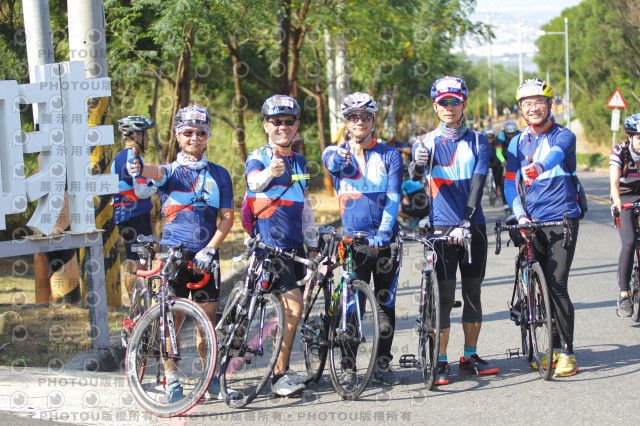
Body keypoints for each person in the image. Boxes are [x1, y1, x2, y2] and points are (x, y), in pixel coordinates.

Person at [127, 105, 235, 401]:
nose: (194, 138)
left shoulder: (220, 174)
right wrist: (138, 165)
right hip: (173, 256)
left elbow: (227, 217)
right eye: (188, 132)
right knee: (171, 322)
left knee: (205, 324)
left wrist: (210, 249)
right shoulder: (171, 171)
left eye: (201, 132)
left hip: (206, 258)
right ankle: (172, 379)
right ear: (178, 135)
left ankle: (210, 378)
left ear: (208, 135)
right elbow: (155, 171)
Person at [411, 75, 497, 386]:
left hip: (472, 225)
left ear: (463, 105)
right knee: (445, 297)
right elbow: (415, 175)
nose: (449, 107)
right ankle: (441, 360)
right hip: (440, 228)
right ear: (435, 107)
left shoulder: (478, 141)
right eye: (443, 102)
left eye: (454, 102)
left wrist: (467, 222)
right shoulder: (425, 142)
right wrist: (417, 162)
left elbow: (478, 183)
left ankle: (469, 357)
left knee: (472, 293)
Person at [322, 92, 403, 386]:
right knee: (352, 307)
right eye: (353, 117)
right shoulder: (337, 154)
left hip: (384, 242)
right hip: (353, 244)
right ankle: (348, 366)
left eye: (365, 116)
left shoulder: (390, 155)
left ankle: (382, 364)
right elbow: (329, 161)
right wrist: (338, 158)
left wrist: (383, 232)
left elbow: (393, 197)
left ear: (373, 120)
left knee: (385, 306)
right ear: (346, 121)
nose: (359, 121)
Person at [504, 78, 582, 377]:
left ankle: (567, 353)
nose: (533, 108)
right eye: (527, 103)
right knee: (541, 286)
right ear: (521, 108)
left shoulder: (564, 135)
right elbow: (510, 184)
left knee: (557, 283)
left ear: (550, 105)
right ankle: (550, 347)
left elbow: (556, 155)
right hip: (532, 220)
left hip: (562, 217)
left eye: (539, 102)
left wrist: (538, 167)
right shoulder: (517, 142)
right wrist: (520, 215)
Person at [245, 94, 318, 397]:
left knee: (290, 312)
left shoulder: (299, 161)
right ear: (266, 125)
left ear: (296, 125)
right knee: (293, 308)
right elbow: (253, 183)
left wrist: (313, 244)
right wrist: (268, 173)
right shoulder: (258, 156)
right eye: (276, 122)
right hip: (271, 247)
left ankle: (281, 367)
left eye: (289, 122)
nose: (283, 127)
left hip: (295, 246)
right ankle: (279, 377)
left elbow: (306, 204)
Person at [111, 115, 157, 301]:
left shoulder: (118, 158)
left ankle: (135, 308)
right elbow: (142, 191)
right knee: (140, 265)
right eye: (146, 134)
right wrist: (158, 184)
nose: (148, 138)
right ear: (135, 136)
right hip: (136, 216)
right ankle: (138, 308)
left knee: (133, 263)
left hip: (125, 216)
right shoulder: (133, 157)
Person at [609, 113, 640, 317]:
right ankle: (624, 294)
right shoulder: (619, 151)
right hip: (625, 197)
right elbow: (614, 183)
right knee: (629, 243)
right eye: (638, 137)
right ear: (629, 137)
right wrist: (617, 202)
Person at [497, 120, 521, 212]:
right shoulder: (501, 136)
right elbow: (498, 152)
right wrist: (503, 161)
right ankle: (505, 201)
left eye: (513, 133)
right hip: (505, 158)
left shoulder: (520, 134)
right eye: (509, 134)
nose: (511, 135)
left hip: (517, 157)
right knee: (503, 178)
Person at [485, 128, 508, 211]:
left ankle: (500, 194)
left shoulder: (497, 143)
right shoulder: (483, 144)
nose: (490, 139)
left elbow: (499, 153)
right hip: (486, 163)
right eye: (488, 137)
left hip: (496, 163)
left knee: (499, 179)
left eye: (491, 137)